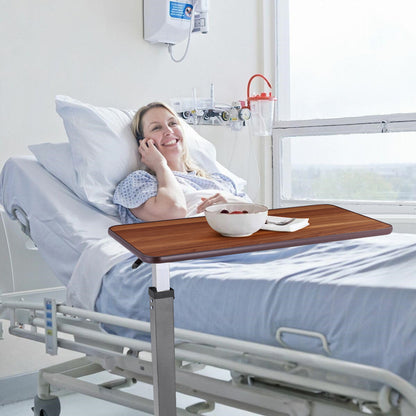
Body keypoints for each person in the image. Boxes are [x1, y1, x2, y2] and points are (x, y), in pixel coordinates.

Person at [113, 102, 251, 224]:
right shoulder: (138, 183)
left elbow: (259, 216)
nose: (168, 131)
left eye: (173, 123)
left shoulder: (218, 181)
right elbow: (174, 211)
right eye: (156, 128)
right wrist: (161, 166)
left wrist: (232, 206)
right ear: (143, 143)